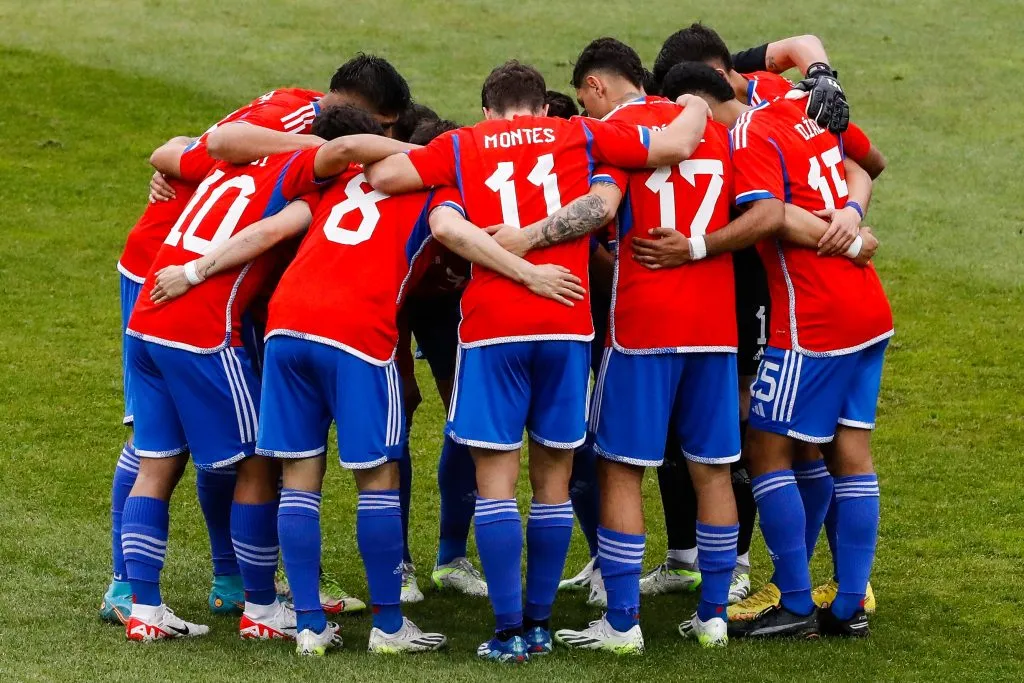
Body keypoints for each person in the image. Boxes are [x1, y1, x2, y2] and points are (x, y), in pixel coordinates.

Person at [151, 109, 585, 656]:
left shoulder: (337, 180)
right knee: (377, 480)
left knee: (300, 476)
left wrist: (193, 265)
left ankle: (308, 626)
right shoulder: (442, 190)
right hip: (360, 332)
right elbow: (460, 238)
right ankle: (388, 626)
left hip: (288, 327)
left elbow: (268, 220)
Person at [365, 59, 711, 662]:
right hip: (567, 322)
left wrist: (446, 158)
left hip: (493, 329)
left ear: (487, 109)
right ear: (543, 106)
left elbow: (386, 176)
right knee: (552, 482)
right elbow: (679, 142)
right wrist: (703, 99)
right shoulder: (580, 133)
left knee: (496, 485)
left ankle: (508, 631)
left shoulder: (463, 146)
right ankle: (542, 624)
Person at [119, 105, 411, 642]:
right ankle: (260, 607)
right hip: (202, 330)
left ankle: (145, 610)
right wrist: (196, 273)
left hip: (146, 321)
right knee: (257, 463)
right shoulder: (301, 176)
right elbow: (275, 226)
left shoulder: (231, 163)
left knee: (155, 465)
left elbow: (200, 143)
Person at [651, 24, 884, 619]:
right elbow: (869, 161)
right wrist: (852, 219)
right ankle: (849, 602)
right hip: (866, 307)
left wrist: (696, 247)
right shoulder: (800, 102)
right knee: (847, 448)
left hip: (814, 316)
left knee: (766, 448)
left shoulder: (747, 135)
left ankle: (795, 600)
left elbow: (771, 215)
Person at [517, 36, 737, 652]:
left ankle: (621, 622)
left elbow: (598, 207)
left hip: (643, 326)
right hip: (715, 326)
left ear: (595, 86)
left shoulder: (613, 134)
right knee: (713, 470)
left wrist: (524, 241)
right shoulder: (712, 130)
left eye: (585, 100)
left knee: (619, 469)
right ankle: (714, 616)